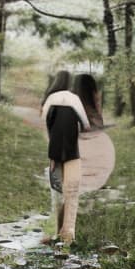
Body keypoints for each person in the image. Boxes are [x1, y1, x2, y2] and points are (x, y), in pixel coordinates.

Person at [41, 70, 90, 244]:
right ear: (69, 83)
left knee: (56, 192)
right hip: (72, 152)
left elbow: (44, 122)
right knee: (72, 193)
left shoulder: (49, 99)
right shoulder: (74, 98)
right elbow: (86, 124)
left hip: (54, 153)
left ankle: (53, 232)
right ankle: (68, 234)